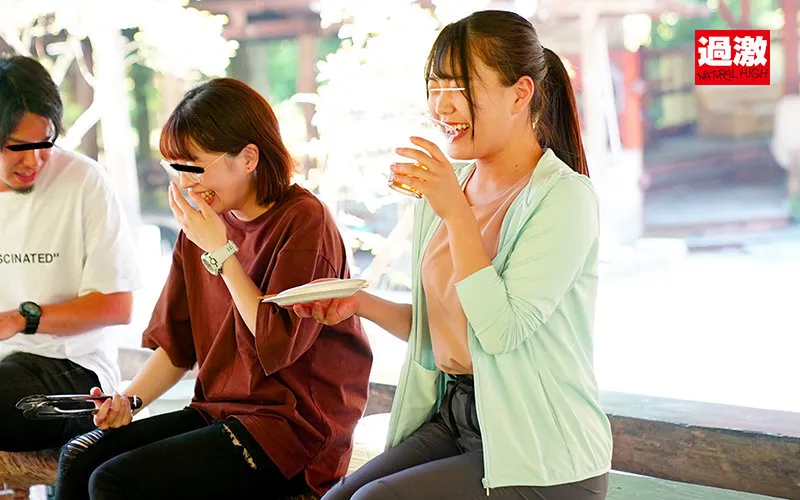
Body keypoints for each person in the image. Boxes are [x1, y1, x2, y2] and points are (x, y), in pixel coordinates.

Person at [289, 10, 612, 500]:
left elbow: (499, 331)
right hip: (458, 421)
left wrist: (456, 213)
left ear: (520, 93)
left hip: (542, 451)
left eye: (459, 87)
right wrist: (356, 304)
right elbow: (440, 326)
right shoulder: (447, 192)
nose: (442, 105)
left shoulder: (564, 198)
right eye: (435, 86)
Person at [54, 78, 373, 500]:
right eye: (176, 168)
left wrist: (222, 253)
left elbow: (275, 342)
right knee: (79, 457)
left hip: (293, 428)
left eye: (194, 167)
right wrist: (127, 402)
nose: (185, 184)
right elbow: (178, 344)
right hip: (219, 412)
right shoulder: (201, 226)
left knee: (116, 482)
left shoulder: (304, 220)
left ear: (247, 158)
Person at [0, 55, 139, 454]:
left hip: (74, 369)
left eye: (45, 143)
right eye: (16, 148)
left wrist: (19, 319)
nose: (34, 160)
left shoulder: (82, 181)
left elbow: (117, 306)